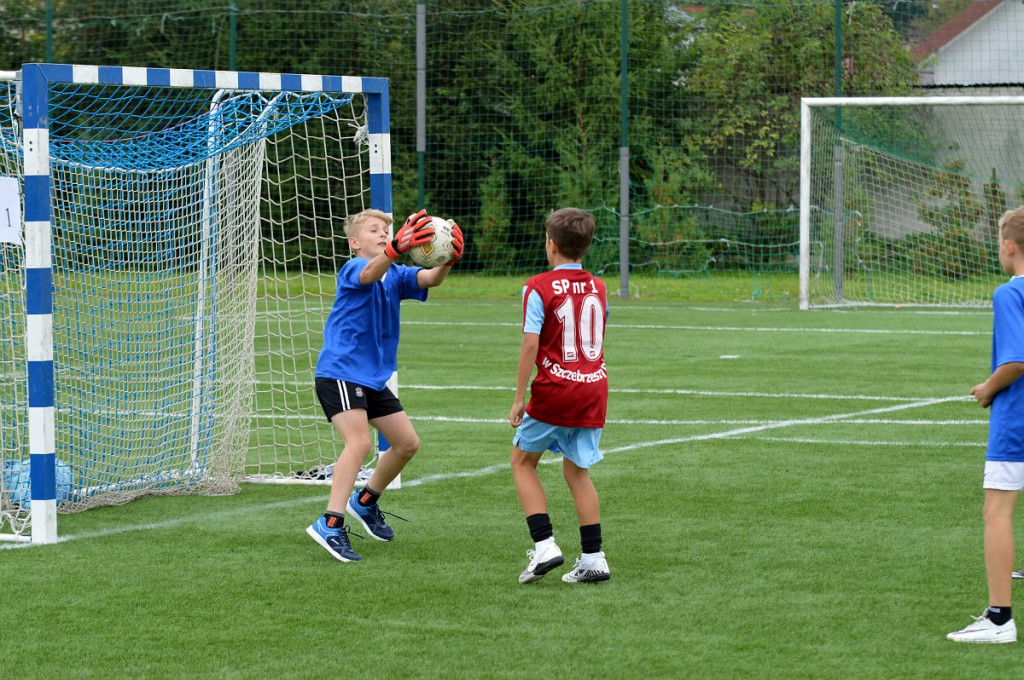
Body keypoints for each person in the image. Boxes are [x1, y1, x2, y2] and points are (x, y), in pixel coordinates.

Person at [306, 208, 463, 563]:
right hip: (341, 371)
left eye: (386, 230)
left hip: (370, 378)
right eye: (374, 230)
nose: (381, 234)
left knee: (407, 444)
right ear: (355, 242)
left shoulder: (395, 274)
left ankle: (366, 500)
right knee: (359, 442)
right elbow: (368, 274)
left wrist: (450, 257)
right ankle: (329, 523)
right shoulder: (353, 268)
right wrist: (394, 247)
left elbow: (430, 279)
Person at [508, 207, 611, 584]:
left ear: (550, 244)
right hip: (593, 388)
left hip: (555, 389)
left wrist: (520, 397)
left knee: (522, 461)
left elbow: (530, 343)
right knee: (577, 471)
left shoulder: (537, 286)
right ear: (586, 247)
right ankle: (594, 557)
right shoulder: (599, 287)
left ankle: (545, 544)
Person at [948, 206, 1024, 643]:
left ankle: (999, 621)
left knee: (997, 512)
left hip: (1017, 422)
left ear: (1009, 246)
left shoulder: (1009, 293)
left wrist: (989, 388)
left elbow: (1016, 360)